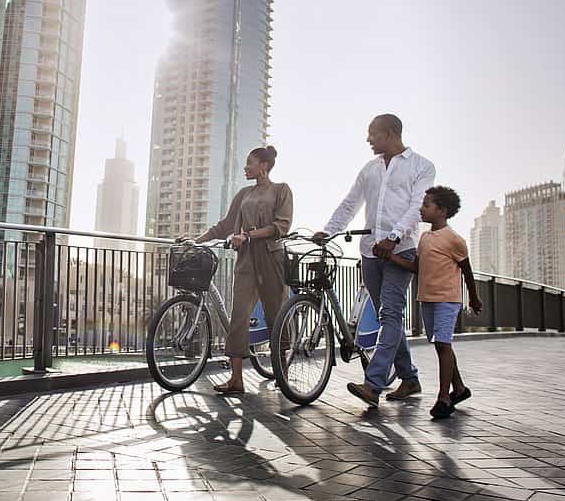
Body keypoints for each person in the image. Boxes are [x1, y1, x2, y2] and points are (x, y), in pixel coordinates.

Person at [313, 114, 435, 408]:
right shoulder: (369, 169)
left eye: (373, 134)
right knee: (386, 317)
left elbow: (416, 207)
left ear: (390, 133)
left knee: (390, 314)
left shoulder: (422, 166)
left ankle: (373, 383)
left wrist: (393, 237)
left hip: (400, 251)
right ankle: (409, 378)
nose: (368, 140)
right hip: (369, 252)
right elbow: (350, 203)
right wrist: (328, 232)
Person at [194, 146, 293, 395]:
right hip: (246, 262)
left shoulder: (281, 190)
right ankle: (236, 379)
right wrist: (198, 240)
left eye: (250, 163)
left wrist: (248, 235)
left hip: (271, 259)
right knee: (239, 317)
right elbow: (226, 225)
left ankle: (283, 373)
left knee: (276, 317)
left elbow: (281, 226)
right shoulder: (243, 194)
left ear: (264, 166)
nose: (245, 167)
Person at [386, 186, 482, 419]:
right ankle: (459, 388)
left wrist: (474, 298)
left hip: (447, 300)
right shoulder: (425, 237)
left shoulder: (454, 240)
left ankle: (444, 397)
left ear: (442, 211)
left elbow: (467, 272)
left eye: (427, 205)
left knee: (442, 344)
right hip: (427, 299)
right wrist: (391, 257)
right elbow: (417, 268)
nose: (422, 208)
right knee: (441, 344)